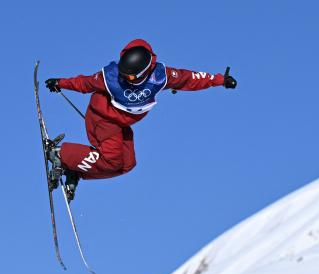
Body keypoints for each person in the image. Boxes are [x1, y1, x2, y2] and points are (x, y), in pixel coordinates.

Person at [44, 38, 237, 199]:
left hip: (122, 123)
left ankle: (77, 170)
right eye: (122, 72)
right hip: (103, 120)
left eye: (129, 77)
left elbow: (190, 79)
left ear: (143, 73)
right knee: (111, 160)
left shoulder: (161, 77)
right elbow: (85, 83)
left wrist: (219, 80)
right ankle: (61, 154)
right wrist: (60, 83)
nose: (124, 77)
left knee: (127, 165)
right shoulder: (110, 76)